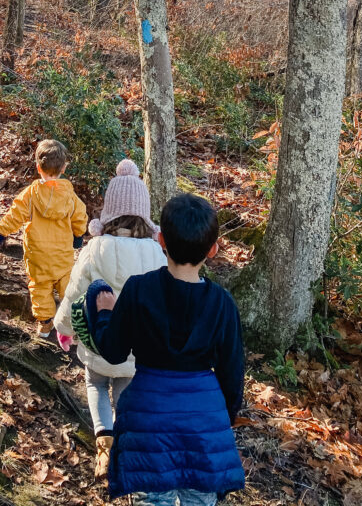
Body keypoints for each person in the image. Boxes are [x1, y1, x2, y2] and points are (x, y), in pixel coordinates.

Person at [91, 192, 245, 506]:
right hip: (204, 424)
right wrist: (220, 420)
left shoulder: (138, 289)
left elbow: (114, 351)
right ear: (213, 250)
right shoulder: (222, 304)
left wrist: (104, 313)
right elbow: (232, 375)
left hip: (149, 420)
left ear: (160, 240)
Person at [53, 160, 166, 480]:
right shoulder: (157, 254)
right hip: (137, 351)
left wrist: (63, 328)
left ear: (109, 211)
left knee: (96, 384)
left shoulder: (95, 247)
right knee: (126, 392)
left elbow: (75, 293)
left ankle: (105, 443)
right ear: (144, 212)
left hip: (100, 345)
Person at [0, 139, 88, 338]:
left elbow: (14, 216)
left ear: (37, 167)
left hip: (37, 255)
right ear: (64, 167)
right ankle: (70, 324)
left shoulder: (30, 195)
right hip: (62, 254)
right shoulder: (69, 196)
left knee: (39, 287)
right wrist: (78, 236)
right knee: (67, 286)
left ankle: (45, 324)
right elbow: (80, 217)